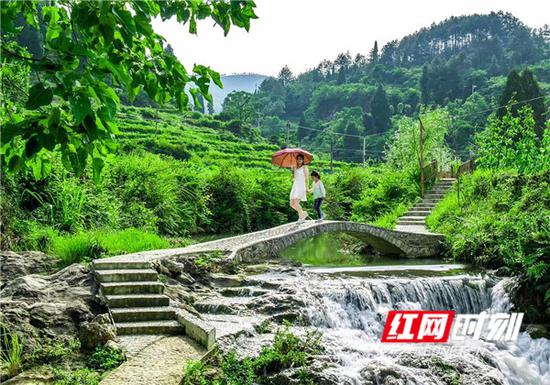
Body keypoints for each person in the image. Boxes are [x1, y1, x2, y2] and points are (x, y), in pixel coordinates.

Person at [289, 154, 309, 222]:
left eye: (300, 159)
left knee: (296, 202)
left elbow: (307, 178)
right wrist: (292, 170)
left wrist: (307, 187)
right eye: (298, 159)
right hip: (295, 186)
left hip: (301, 186)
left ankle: (301, 217)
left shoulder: (304, 167)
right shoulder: (295, 167)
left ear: (303, 160)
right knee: (291, 204)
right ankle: (303, 213)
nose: (299, 160)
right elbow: (294, 177)